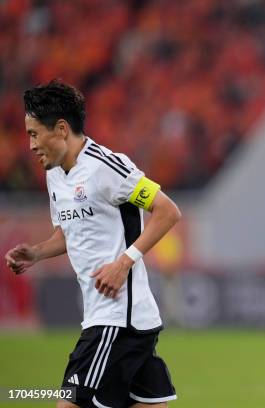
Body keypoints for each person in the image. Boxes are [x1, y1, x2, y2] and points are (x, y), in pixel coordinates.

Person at [5, 80, 181, 408]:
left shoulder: (107, 167)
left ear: (60, 129)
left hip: (115, 319)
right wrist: (37, 253)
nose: (30, 145)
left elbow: (167, 211)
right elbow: (70, 233)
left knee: (69, 403)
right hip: (115, 318)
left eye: (33, 134)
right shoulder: (54, 175)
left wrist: (123, 262)